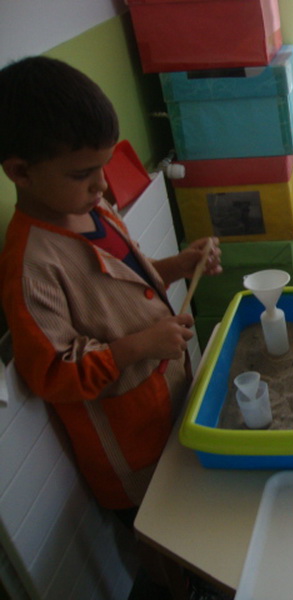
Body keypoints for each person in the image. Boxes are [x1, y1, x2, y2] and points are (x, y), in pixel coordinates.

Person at [0, 56, 222, 598]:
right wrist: (138, 346)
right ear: (20, 172)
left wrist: (179, 265)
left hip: (169, 403)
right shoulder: (31, 266)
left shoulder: (94, 209)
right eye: (83, 174)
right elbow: (52, 374)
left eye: (103, 167)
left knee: (194, 517)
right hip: (128, 449)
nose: (101, 184)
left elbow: (129, 279)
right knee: (160, 538)